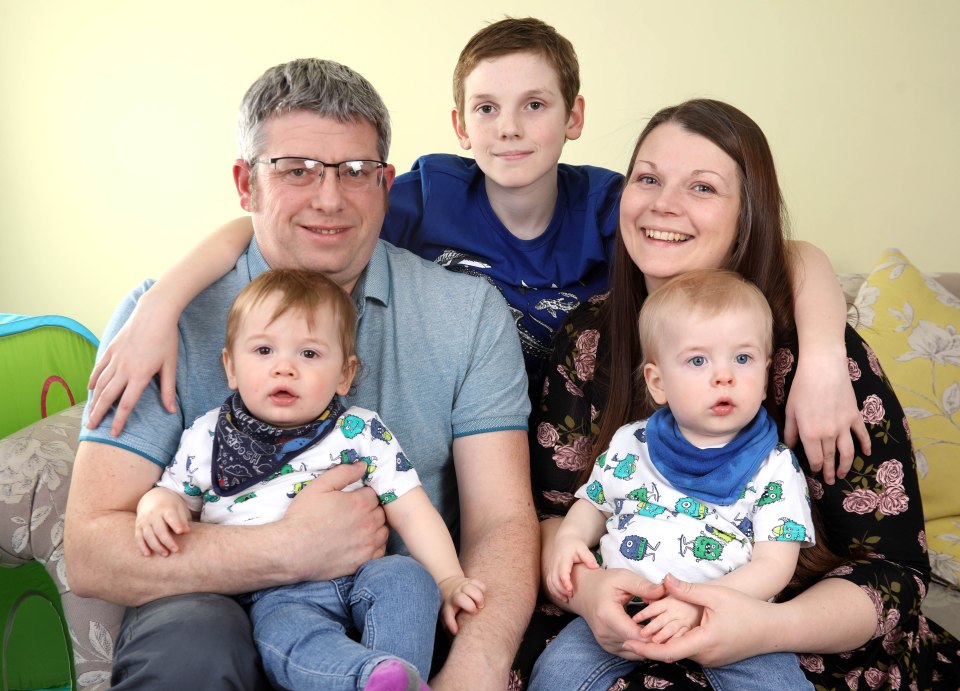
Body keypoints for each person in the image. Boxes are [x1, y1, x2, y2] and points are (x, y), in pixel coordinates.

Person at [84, 19, 867, 483]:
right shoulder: (425, 194)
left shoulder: (615, 203)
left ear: (575, 116)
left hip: (594, 443)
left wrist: (827, 352)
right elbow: (276, 225)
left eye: (535, 105)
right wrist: (162, 303)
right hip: (477, 444)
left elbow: (779, 249)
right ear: (459, 125)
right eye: (487, 108)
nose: (510, 128)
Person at [64, 58, 537, 691]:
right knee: (189, 640)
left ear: (386, 183)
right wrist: (289, 548)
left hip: (390, 608)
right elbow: (93, 551)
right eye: (296, 171)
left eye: (356, 172)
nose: (330, 198)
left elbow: (502, 522)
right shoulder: (162, 319)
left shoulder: (467, 313)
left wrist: (473, 670)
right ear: (245, 183)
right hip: (215, 610)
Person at [521, 98, 960, 690]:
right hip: (618, 622)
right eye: (648, 178)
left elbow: (893, 572)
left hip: (788, 635)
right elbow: (554, 513)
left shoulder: (813, 355)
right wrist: (587, 590)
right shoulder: (590, 337)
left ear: (747, 213)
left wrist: (761, 628)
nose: (664, 203)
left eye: (702, 188)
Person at [135, 268, 486, 691]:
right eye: (263, 350)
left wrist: (448, 579)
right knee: (285, 635)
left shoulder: (360, 430)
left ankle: (400, 675)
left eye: (309, 354)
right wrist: (157, 507)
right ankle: (365, 678)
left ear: (345, 374)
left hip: (362, 576)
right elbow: (175, 495)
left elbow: (412, 509)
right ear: (230, 366)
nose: (284, 368)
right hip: (274, 592)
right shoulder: (210, 436)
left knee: (408, 579)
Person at [529, 269, 813, 691]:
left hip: (727, 618)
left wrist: (701, 606)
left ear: (766, 372)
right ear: (658, 383)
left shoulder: (773, 467)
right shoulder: (633, 443)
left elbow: (775, 564)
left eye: (743, 358)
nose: (724, 376)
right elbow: (594, 503)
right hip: (624, 607)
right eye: (698, 360)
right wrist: (570, 538)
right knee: (555, 674)